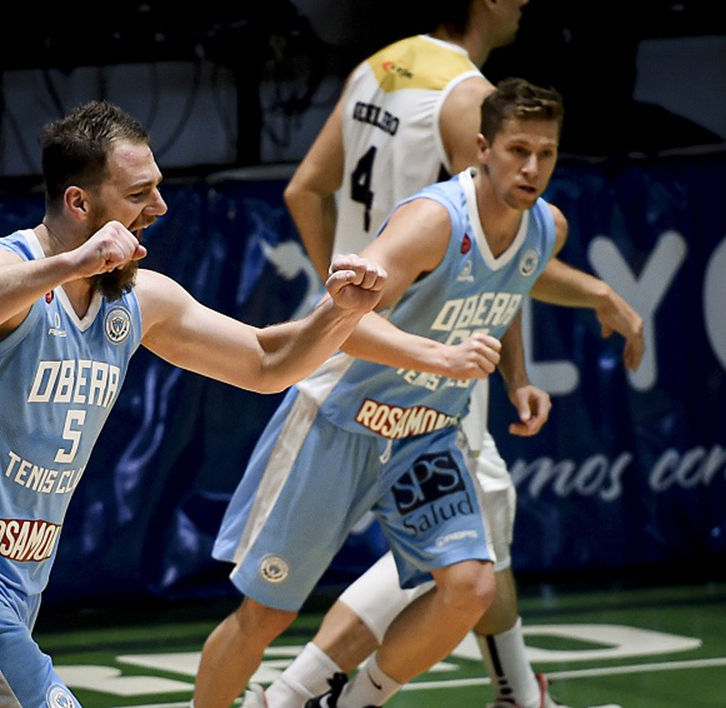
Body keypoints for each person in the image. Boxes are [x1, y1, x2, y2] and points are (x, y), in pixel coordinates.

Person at [0, 100, 396, 708]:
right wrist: (71, 264)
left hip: (12, 589)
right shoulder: (5, 267)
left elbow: (266, 361)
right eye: (140, 194)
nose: (159, 208)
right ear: (78, 203)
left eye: (158, 188)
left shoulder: (137, 299)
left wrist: (340, 313)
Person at [259, 2, 642, 707]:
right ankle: (291, 694)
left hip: (372, 337)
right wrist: (586, 302)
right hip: (429, 353)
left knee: (471, 548)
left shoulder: (377, 68)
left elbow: (303, 190)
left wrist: (345, 308)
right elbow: (496, 245)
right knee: (463, 548)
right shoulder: (469, 96)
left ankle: (514, 695)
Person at [194, 77, 569, 708]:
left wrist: (518, 379)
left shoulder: (545, 228)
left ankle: (349, 702)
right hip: (340, 421)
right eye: (518, 151)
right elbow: (343, 318)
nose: (532, 168)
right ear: (483, 148)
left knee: (470, 587)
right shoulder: (433, 221)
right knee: (265, 615)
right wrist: (438, 356)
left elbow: (505, 295)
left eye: (546, 153)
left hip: (425, 435)